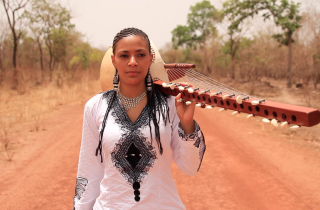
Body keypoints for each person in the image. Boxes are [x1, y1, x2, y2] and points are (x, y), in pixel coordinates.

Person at [73, 28, 206, 210]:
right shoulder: (96, 106)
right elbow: (89, 171)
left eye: (140, 55)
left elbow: (190, 168)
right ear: (114, 60)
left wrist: (187, 123)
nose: (133, 62)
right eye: (124, 55)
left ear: (151, 59)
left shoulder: (170, 105)